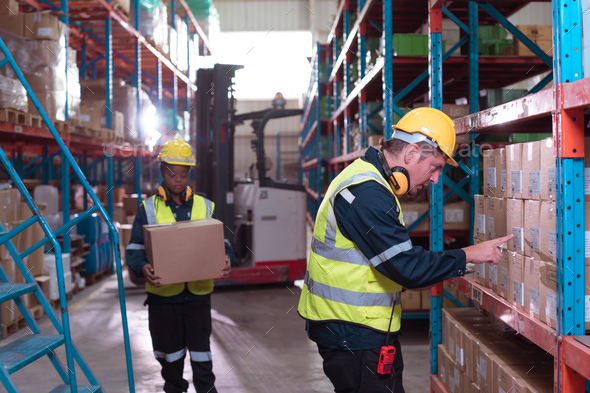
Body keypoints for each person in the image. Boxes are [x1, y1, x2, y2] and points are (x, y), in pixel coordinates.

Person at [297, 108, 512, 393]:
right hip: (352, 330)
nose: (435, 179)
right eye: (434, 167)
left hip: (357, 326)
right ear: (410, 154)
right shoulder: (366, 193)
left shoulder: (370, 181)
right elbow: (407, 268)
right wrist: (469, 254)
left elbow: (396, 263)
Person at [126, 139, 233, 393]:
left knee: (201, 354)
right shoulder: (148, 209)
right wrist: (143, 268)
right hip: (164, 300)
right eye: (172, 174)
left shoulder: (204, 206)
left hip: (197, 298)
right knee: (170, 357)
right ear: (162, 171)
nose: (178, 180)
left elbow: (222, 242)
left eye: (184, 174)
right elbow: (134, 250)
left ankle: (207, 390)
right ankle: (175, 388)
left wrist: (227, 258)